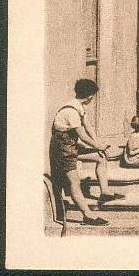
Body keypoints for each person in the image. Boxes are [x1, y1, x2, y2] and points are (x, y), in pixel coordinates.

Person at [48, 78, 123, 227]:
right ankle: (88, 215)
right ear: (90, 96)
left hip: (71, 144)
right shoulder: (70, 111)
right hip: (62, 148)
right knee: (74, 182)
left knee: (100, 157)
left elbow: (88, 127)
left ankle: (105, 193)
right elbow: (82, 135)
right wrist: (98, 145)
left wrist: (99, 146)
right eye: (93, 97)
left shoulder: (79, 106)